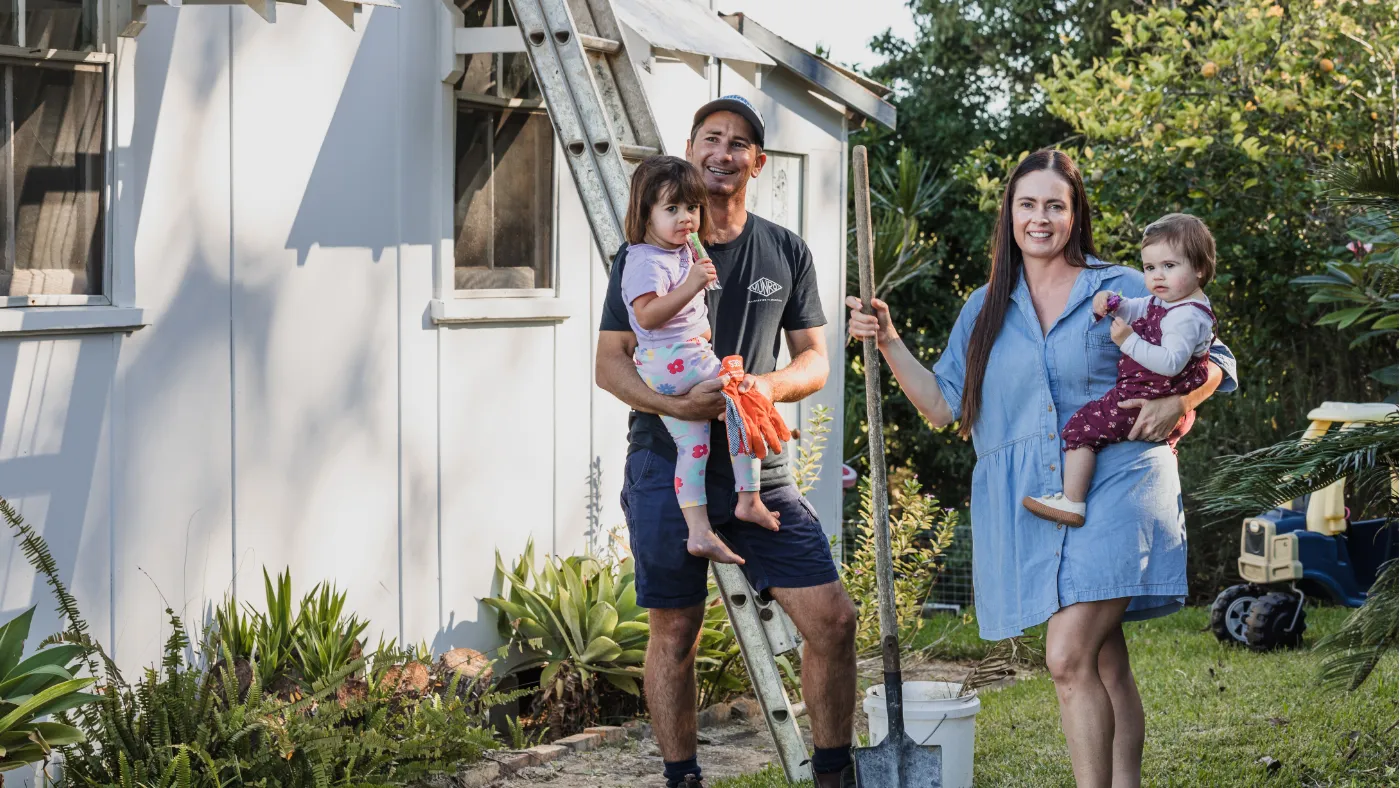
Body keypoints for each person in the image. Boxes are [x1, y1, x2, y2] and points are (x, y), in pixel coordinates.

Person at [846, 150, 1237, 788]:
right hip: (1041, 498)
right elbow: (943, 405)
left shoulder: (1124, 286)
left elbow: (1215, 354)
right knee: (1104, 661)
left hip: (1121, 479)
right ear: (1009, 213)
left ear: (1075, 213)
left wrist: (1178, 399)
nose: (1040, 217)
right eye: (1027, 204)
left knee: (1066, 655)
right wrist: (888, 340)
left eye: (1055, 204)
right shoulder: (985, 309)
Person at [595, 95, 858, 788]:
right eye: (711, 138)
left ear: (757, 162)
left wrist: (762, 390)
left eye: (738, 143)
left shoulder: (785, 250)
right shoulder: (645, 256)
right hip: (667, 463)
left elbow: (816, 361)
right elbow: (610, 363)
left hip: (757, 470)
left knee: (832, 620)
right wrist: (678, 403)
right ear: (691, 148)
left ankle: (833, 775)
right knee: (674, 635)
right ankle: (683, 778)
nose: (723, 152)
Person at [619, 154, 782, 564]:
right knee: (744, 404)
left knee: (694, 448)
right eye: (671, 209)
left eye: (691, 208)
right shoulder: (643, 259)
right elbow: (647, 315)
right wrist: (693, 285)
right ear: (646, 213)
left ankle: (699, 530)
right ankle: (749, 498)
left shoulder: (677, 253)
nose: (685, 219)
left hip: (669, 366)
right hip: (674, 362)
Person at [1024, 213, 1220, 528]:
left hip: (1143, 399)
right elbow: (1139, 306)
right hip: (1149, 399)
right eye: (1150, 268)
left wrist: (1128, 341)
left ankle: (1071, 501)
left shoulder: (1187, 317)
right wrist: (1114, 302)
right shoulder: (1172, 301)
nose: (1157, 276)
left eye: (1169, 266)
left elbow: (1171, 364)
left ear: (1199, 268)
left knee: (1082, 426)